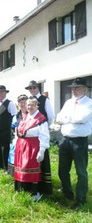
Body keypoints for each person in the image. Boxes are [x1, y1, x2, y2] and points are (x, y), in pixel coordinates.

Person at [56, 77, 92, 209]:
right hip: (65, 140)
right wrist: (70, 119)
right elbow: (58, 118)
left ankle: (81, 198)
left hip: (79, 141)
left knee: (81, 171)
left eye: (77, 88)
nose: (74, 90)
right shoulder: (69, 102)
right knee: (62, 169)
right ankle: (67, 193)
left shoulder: (89, 103)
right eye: (72, 88)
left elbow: (81, 119)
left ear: (85, 89)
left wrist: (67, 118)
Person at [14, 97, 50, 200]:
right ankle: (23, 190)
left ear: (37, 106)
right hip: (22, 147)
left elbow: (44, 135)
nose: (29, 107)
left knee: (32, 169)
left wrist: (42, 150)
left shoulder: (41, 119)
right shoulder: (25, 117)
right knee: (22, 168)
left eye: (32, 105)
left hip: (33, 147)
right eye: (28, 105)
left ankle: (35, 192)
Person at [25, 80, 54, 193]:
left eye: (34, 88)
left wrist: (44, 128)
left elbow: (50, 116)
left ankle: (42, 186)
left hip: (41, 134)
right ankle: (31, 183)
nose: (32, 90)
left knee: (42, 161)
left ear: (38, 88)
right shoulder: (28, 100)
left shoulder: (44, 99)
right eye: (30, 88)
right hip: (31, 138)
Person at [0, 85, 17, 171]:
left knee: (5, 148)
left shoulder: (10, 103)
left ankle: (6, 165)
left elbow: (15, 116)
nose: (0, 94)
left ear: (5, 93)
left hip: (5, 129)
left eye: (2, 92)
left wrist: (13, 129)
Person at [7, 94, 28, 176]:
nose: (22, 104)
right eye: (21, 102)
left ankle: (24, 174)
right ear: (18, 104)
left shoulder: (30, 115)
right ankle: (13, 173)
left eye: (24, 102)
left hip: (27, 141)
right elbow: (12, 128)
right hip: (16, 140)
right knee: (13, 154)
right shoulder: (16, 116)